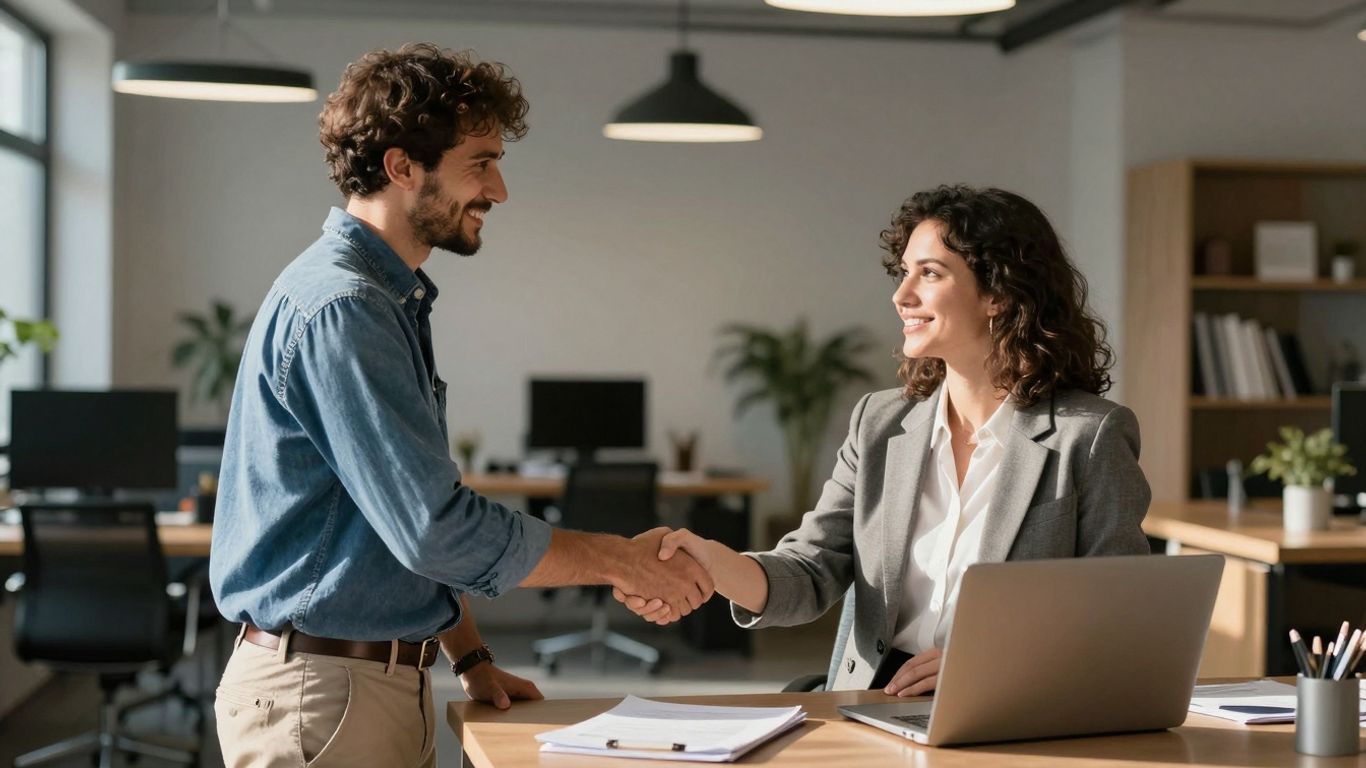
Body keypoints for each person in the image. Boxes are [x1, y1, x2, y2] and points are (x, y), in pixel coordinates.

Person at [209, 44, 709, 768]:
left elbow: (399, 521)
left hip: (360, 683)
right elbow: (433, 529)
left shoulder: (384, 299)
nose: (499, 190)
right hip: (322, 694)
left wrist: (469, 655)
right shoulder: (345, 308)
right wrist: (618, 561)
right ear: (402, 167)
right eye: (481, 163)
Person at [619, 184, 1151, 696]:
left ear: (999, 294)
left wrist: (995, 661)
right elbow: (811, 570)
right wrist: (712, 563)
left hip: (1011, 704)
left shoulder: (1091, 436)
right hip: (875, 699)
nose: (902, 295)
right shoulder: (880, 422)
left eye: (930, 274)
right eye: (903, 273)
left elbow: (1121, 614)